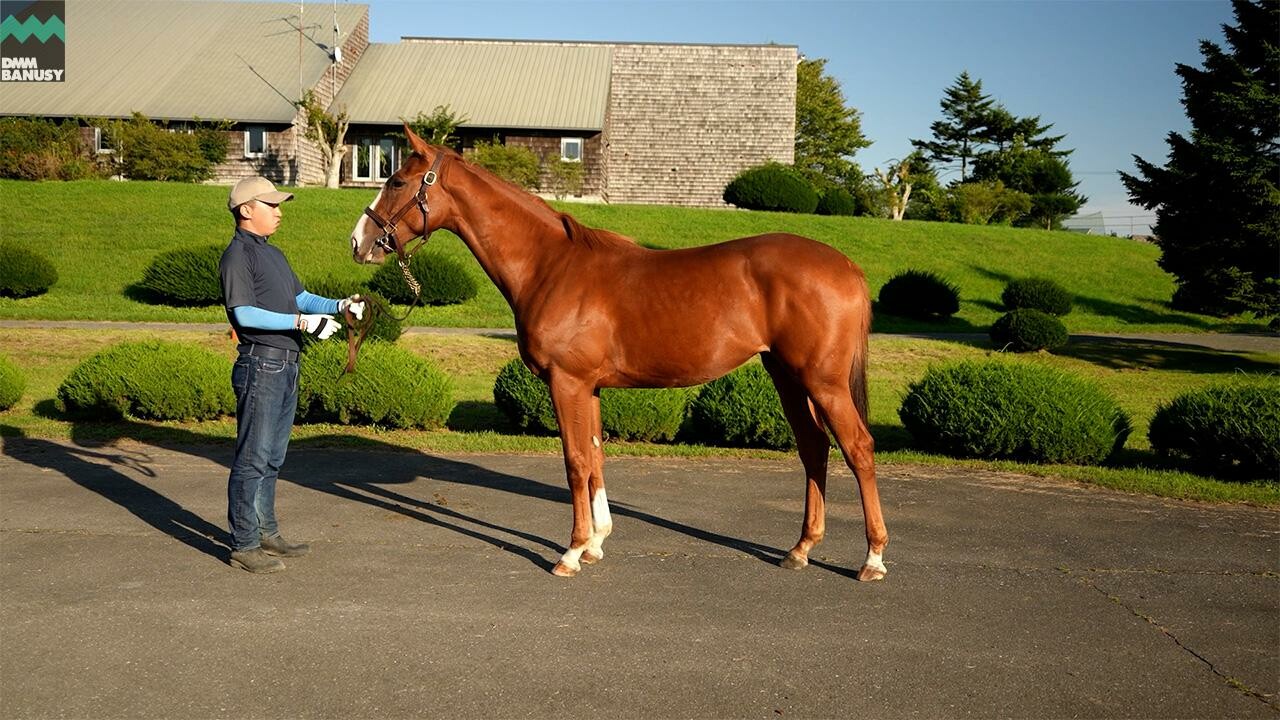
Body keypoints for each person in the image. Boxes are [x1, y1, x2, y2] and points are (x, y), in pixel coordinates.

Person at [218, 176, 364, 574]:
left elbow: (301, 298)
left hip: (285, 365)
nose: (280, 212)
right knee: (252, 457)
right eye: (272, 205)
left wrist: (338, 305)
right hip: (260, 362)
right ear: (247, 210)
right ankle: (244, 543)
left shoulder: (274, 255)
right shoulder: (237, 256)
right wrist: (301, 323)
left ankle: (266, 532)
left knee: (273, 457)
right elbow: (244, 314)